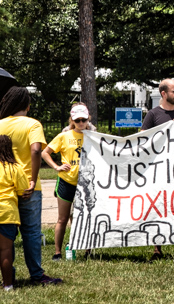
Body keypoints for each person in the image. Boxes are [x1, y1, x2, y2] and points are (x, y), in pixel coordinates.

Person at [0, 87, 61, 285]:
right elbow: (36, 151)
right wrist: (33, 179)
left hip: (5, 188)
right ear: (27, 106)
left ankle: (9, 274)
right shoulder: (33, 124)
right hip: (28, 187)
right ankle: (36, 275)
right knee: (32, 232)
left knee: (5, 236)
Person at [142, 79, 174, 260]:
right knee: (159, 207)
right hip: (159, 171)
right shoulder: (153, 115)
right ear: (164, 94)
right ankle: (157, 248)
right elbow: (143, 140)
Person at [41, 103, 90, 260]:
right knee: (62, 218)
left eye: (84, 120)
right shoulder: (64, 136)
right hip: (66, 182)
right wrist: (57, 166)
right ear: (72, 120)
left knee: (86, 217)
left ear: (89, 119)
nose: (81, 123)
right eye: (78, 120)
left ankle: (87, 249)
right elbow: (45, 153)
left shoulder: (93, 137)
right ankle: (57, 252)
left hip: (86, 183)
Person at [0, 135, 33, 291]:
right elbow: (23, 191)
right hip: (7, 213)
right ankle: (8, 285)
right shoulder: (15, 168)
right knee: (5, 251)